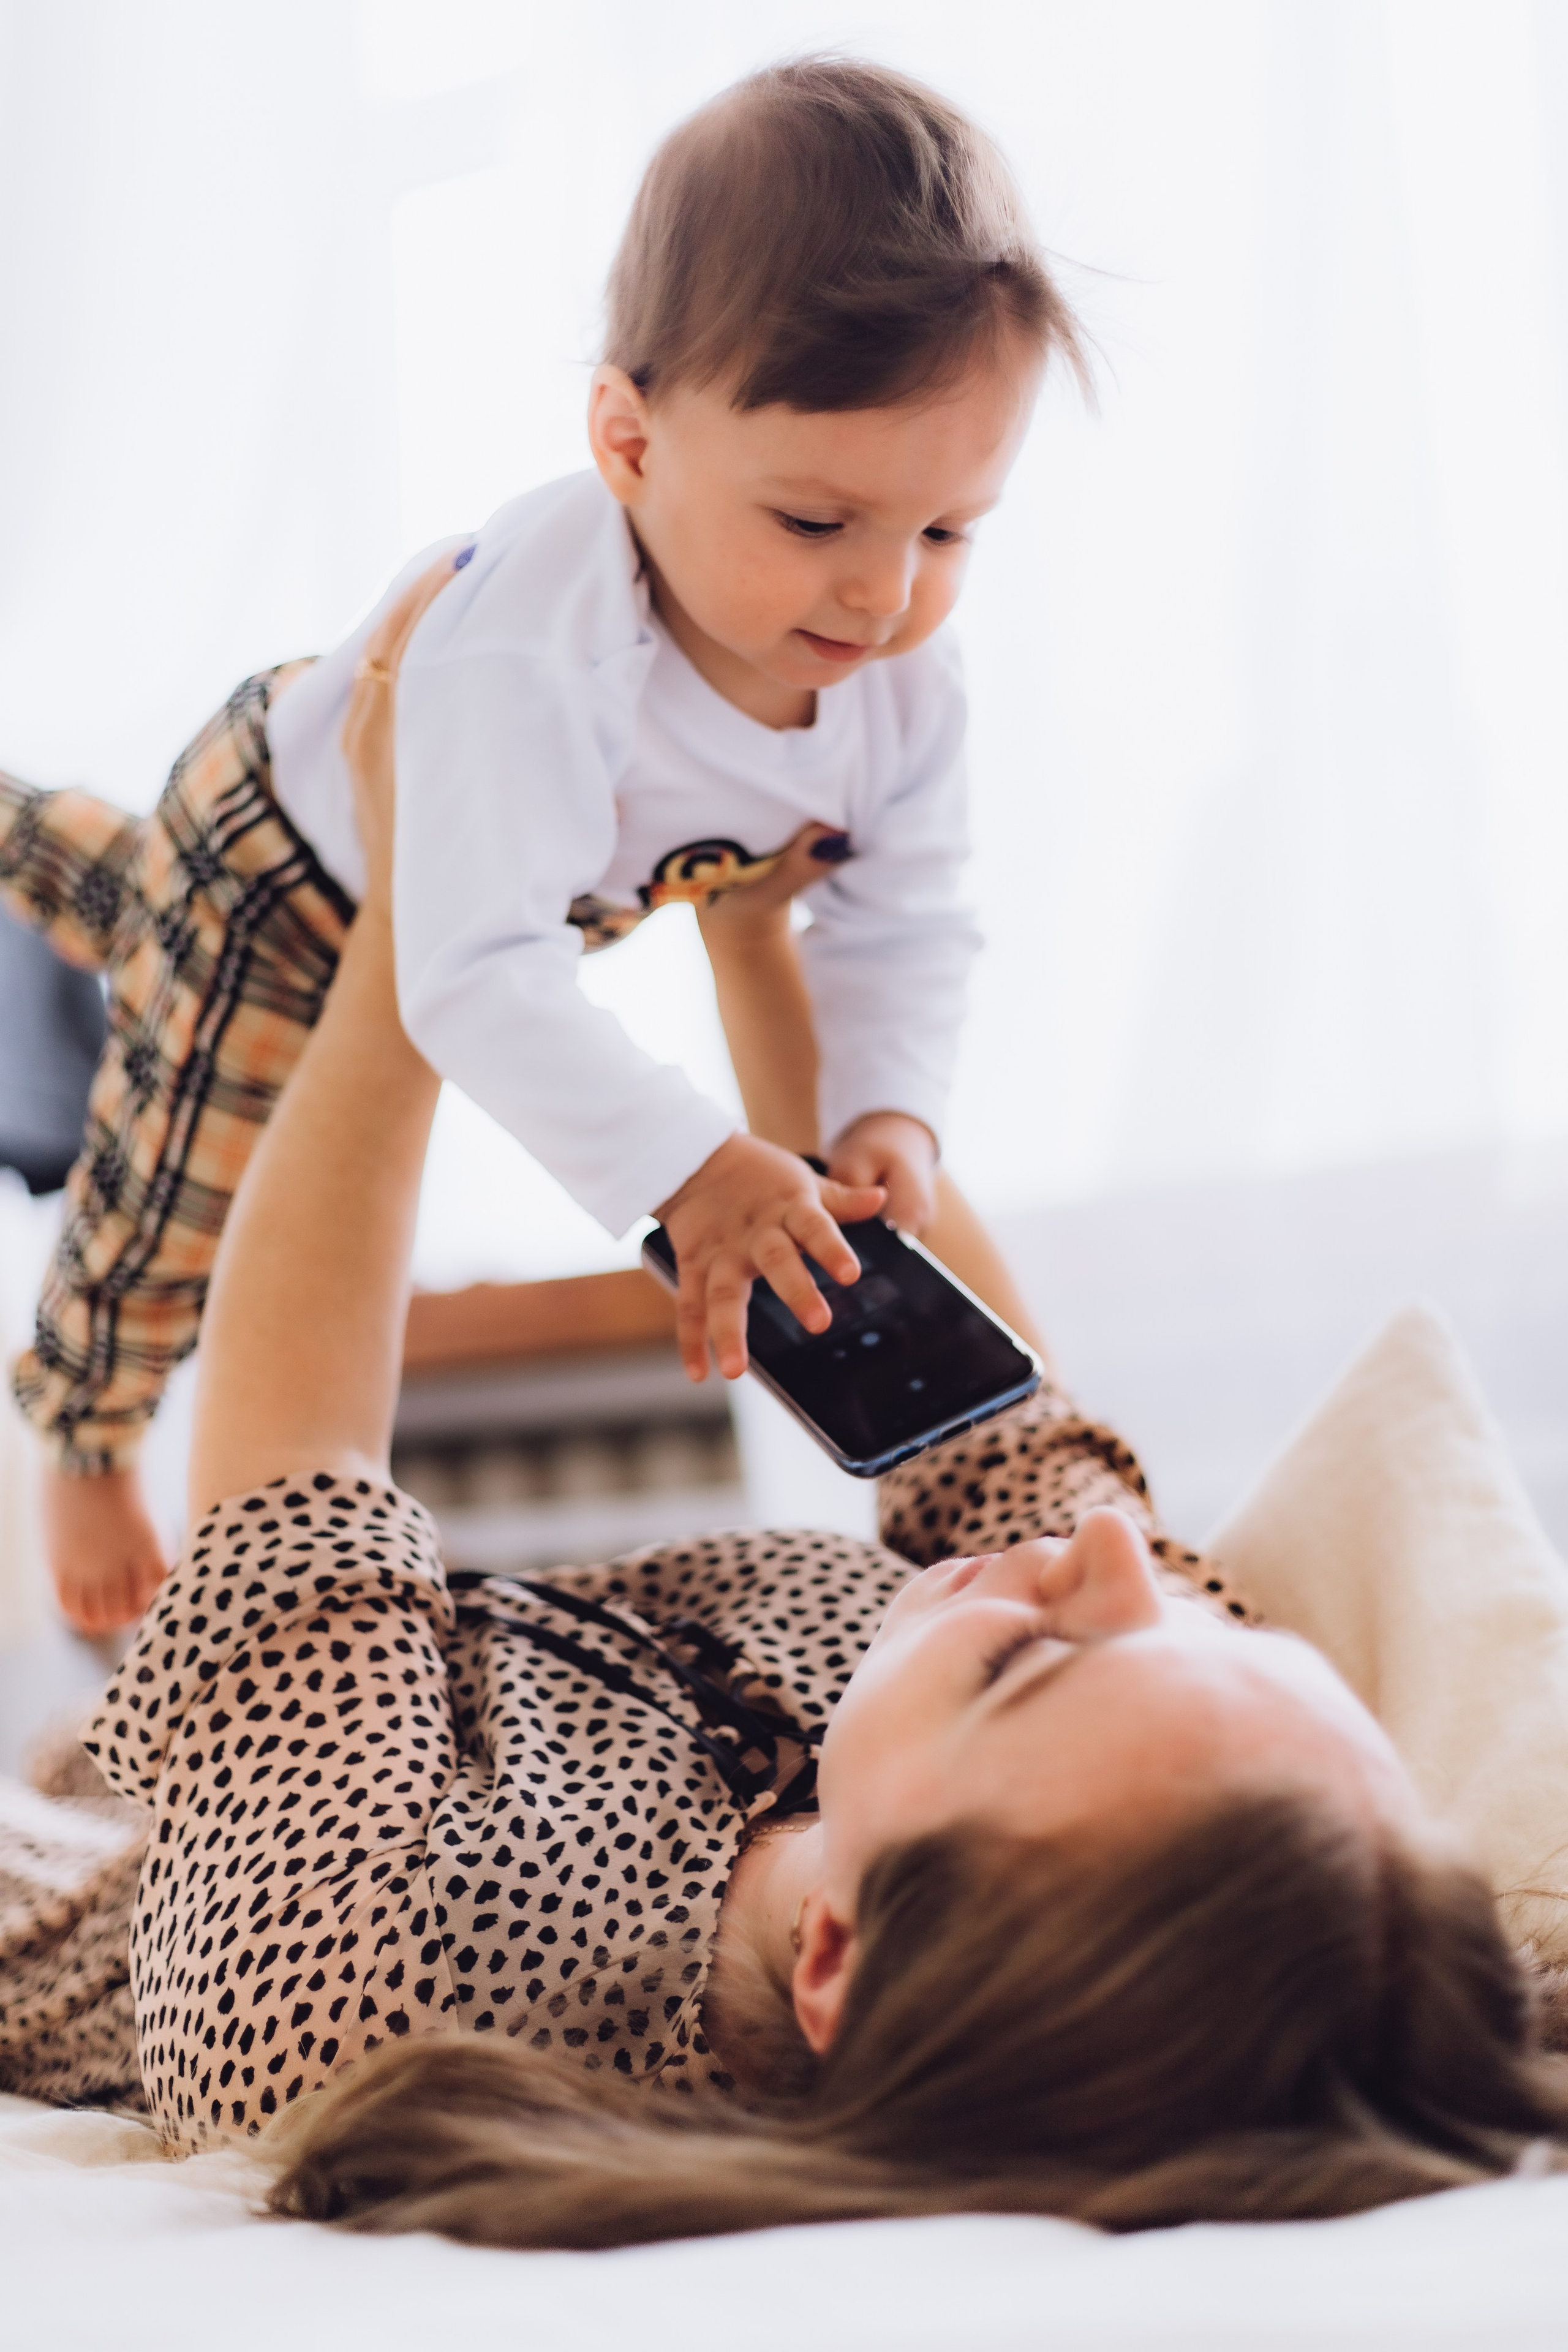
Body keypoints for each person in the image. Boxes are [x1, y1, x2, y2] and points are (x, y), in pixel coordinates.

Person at [78, 571, 1568, 2242]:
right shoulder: (1166, 1742)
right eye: (1239, 1639)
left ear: (840, 1959)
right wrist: (756, 938)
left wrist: (414, 919)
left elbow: (294, 1483)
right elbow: (986, 1418)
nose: (1111, 1564)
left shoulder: (373, 1997)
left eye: (1027, 1667)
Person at [0, 56, 1072, 1635]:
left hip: (497, 893)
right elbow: (475, 978)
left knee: (109, 883)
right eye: (814, 523)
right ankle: (82, 1432)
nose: (883, 594)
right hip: (287, 875)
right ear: (628, 444)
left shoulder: (904, 680)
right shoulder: (534, 645)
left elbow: (906, 914)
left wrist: (890, 1108)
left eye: (948, 530)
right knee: (180, 1168)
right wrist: (689, 1173)